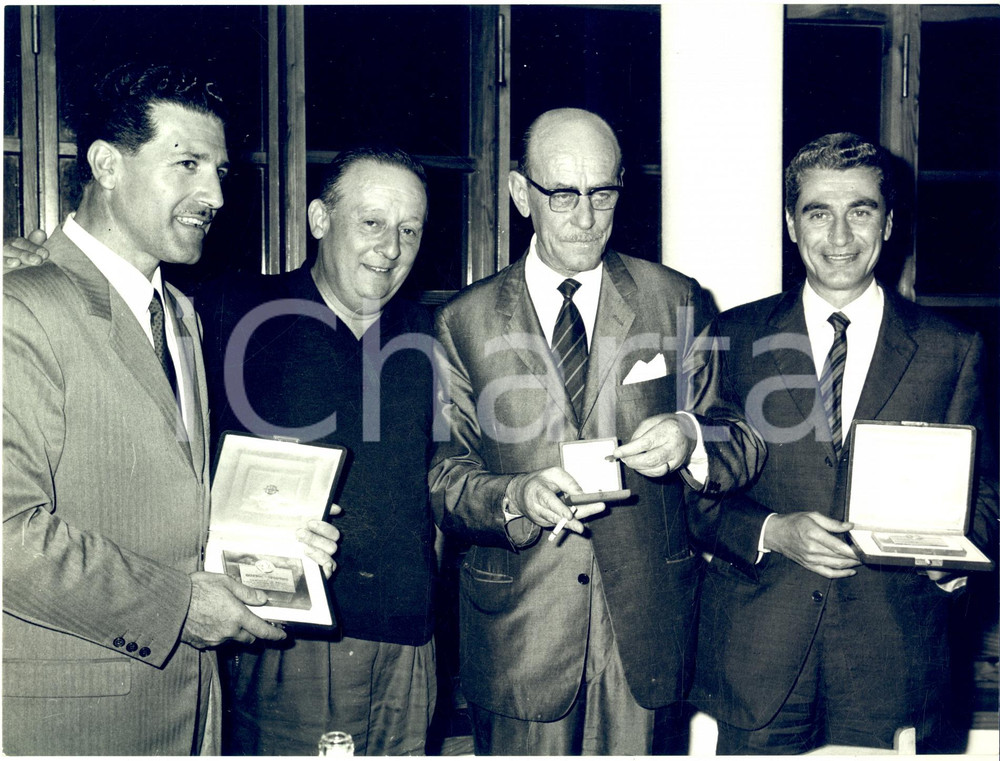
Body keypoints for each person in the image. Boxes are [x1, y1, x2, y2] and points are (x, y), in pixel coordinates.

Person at [2, 62, 338, 755]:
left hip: (190, 709)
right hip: (74, 724)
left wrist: (274, 538)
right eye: (187, 164)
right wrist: (180, 607)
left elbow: (169, 507)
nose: (214, 194)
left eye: (219, 171)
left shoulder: (180, 313)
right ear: (107, 165)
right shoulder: (20, 307)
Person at [428, 107, 765, 755]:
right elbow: (446, 480)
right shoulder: (463, 321)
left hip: (645, 633)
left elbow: (740, 439)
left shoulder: (676, 299)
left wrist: (691, 437)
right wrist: (516, 495)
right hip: (520, 635)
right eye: (562, 194)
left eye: (602, 192)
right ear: (520, 193)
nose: (585, 217)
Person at [688, 132, 999, 754]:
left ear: (888, 224)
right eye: (817, 213)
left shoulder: (951, 348)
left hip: (897, 662)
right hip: (760, 661)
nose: (839, 236)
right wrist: (773, 531)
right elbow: (695, 493)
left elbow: (986, 496)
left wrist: (952, 558)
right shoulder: (734, 336)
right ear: (790, 224)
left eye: (860, 211)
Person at [197, 147, 440, 756]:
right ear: (319, 219)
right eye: (372, 222)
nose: (391, 248)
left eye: (410, 230)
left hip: (407, 644)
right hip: (282, 639)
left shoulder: (434, 337)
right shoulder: (229, 311)